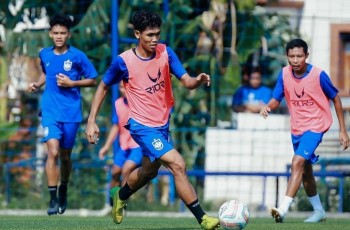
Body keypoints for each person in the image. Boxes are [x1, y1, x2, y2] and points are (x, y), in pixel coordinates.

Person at [85, 10, 219, 230]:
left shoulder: (166, 53)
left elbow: (185, 80)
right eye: (149, 35)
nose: (154, 39)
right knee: (178, 164)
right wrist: (91, 121)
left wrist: (198, 79)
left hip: (162, 125)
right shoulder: (124, 62)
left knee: (149, 171)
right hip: (141, 126)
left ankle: (121, 195)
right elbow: (103, 86)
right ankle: (203, 218)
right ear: (137, 34)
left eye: (157, 34)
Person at [260, 38, 349, 223]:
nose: (295, 60)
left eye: (299, 56)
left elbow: (336, 99)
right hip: (297, 128)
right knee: (306, 171)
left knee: (297, 161)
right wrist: (268, 106)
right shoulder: (284, 74)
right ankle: (319, 211)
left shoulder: (318, 75)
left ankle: (283, 209)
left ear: (306, 56)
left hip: (316, 126)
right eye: (291, 56)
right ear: (287, 56)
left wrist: (343, 130)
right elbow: (277, 97)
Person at [28, 14, 98, 215]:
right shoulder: (45, 54)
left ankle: (64, 188)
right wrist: (37, 84)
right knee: (53, 152)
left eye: (63, 33)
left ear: (69, 34)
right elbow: (45, 72)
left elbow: (92, 79)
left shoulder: (78, 56)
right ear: (50, 34)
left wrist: (72, 83)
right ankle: (52, 199)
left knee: (66, 157)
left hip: (71, 113)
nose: (59, 36)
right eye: (56, 33)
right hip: (49, 110)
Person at [99, 84, 142, 198]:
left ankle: (122, 204)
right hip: (124, 146)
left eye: (127, 87)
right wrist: (106, 146)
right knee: (115, 173)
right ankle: (113, 203)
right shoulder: (118, 104)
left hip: (138, 145)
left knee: (126, 169)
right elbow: (116, 126)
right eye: (122, 87)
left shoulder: (141, 103)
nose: (124, 90)